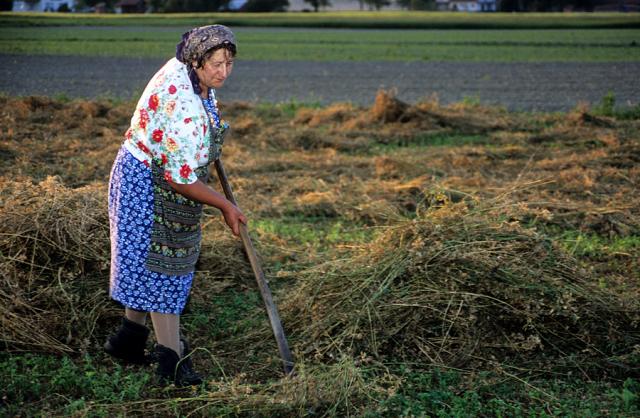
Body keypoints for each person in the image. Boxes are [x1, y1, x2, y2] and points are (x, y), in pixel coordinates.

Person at [103, 25, 247, 387]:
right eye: (216, 64)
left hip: (166, 172)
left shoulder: (190, 69)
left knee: (150, 264)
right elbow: (179, 179)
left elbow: (189, 152)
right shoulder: (181, 103)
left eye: (229, 63)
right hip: (147, 182)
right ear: (196, 60)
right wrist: (225, 206)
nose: (223, 72)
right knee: (162, 269)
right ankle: (173, 362)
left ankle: (127, 342)